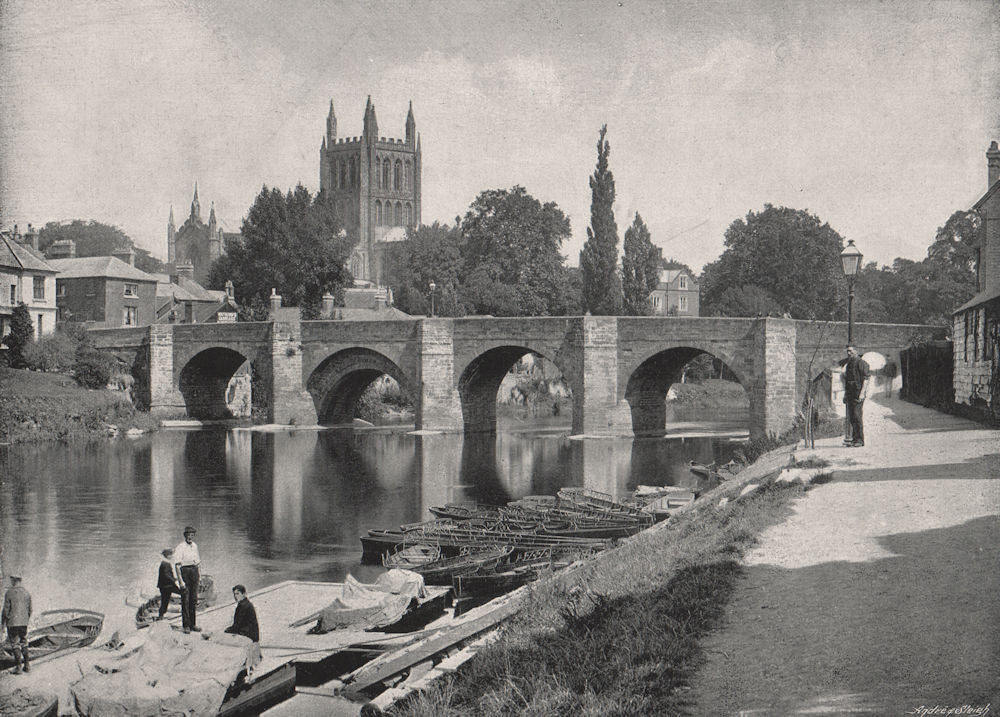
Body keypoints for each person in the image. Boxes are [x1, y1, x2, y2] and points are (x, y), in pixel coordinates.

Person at [224, 584, 261, 678]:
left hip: (248, 633)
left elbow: (237, 625)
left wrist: (227, 631)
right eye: (234, 594)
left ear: (244, 594)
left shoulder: (243, 606)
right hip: (248, 631)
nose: (236, 596)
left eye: (238, 594)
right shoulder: (245, 604)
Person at [173, 526, 202, 634]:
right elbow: (177, 566)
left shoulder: (195, 546)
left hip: (194, 572)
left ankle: (193, 624)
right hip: (185, 572)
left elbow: (198, 563)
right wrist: (181, 581)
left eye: (192, 535)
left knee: (193, 599)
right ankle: (186, 625)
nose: (190, 537)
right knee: (185, 599)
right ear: (185, 536)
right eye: (188, 535)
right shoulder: (180, 547)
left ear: (194, 536)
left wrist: (200, 577)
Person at [2, 573, 32, 674]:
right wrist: (25, 620)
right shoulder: (27, 593)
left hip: (12, 623)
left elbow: (5, 611)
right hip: (23, 623)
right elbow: (30, 610)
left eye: (11, 580)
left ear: (14, 580)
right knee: (24, 642)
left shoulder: (9, 593)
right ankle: (27, 666)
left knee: (15, 644)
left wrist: (2, 625)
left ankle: (18, 667)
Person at [843, 345, 870, 447]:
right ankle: (854, 439)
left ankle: (860, 440)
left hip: (858, 393)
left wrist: (862, 393)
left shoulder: (861, 363)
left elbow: (866, 379)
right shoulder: (849, 363)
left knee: (857, 415)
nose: (848, 353)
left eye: (850, 351)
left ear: (856, 351)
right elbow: (846, 380)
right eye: (847, 351)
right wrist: (845, 394)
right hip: (850, 393)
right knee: (852, 417)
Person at [156, 548, 182, 620]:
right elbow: (167, 575)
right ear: (167, 556)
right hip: (166, 586)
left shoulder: (165, 562)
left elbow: (168, 575)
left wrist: (175, 579)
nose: (172, 556)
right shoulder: (165, 563)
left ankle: (161, 615)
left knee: (165, 600)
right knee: (165, 601)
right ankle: (161, 615)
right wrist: (174, 580)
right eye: (171, 555)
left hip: (168, 585)